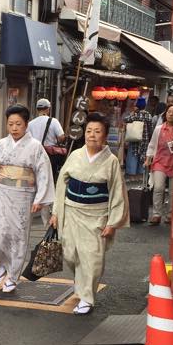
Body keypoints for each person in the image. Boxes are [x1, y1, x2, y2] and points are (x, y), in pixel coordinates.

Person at [51, 113, 127, 315]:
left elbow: (117, 192)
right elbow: (61, 184)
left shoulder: (110, 161)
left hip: (96, 215)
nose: (92, 135)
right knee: (70, 253)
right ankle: (81, 283)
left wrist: (112, 222)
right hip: (72, 210)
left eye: (97, 131)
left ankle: (87, 297)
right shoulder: (75, 155)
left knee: (92, 258)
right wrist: (56, 212)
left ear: (104, 136)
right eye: (89, 131)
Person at [0, 105, 55, 293]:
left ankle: (13, 275)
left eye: (18, 124)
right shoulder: (2, 144)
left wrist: (40, 198)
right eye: (10, 124)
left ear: (26, 124)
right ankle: (2, 263)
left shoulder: (35, 147)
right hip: (2, 194)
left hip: (23, 196)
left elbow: (44, 173)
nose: (14, 128)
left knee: (18, 236)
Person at [27, 98, 66, 223]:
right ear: (48, 109)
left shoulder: (31, 123)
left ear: (37, 109)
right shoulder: (53, 121)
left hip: (34, 155)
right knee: (49, 182)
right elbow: (61, 137)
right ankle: (47, 209)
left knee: (36, 180)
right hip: (50, 156)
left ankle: (34, 203)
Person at [145, 102, 173, 225]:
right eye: (169, 112)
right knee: (158, 188)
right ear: (166, 113)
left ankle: (170, 215)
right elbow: (152, 144)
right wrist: (148, 157)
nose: (171, 114)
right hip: (159, 161)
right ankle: (156, 214)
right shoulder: (159, 129)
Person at [123, 97, 154, 176]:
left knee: (133, 155)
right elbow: (151, 128)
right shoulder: (148, 115)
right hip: (145, 140)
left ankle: (131, 173)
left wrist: (132, 113)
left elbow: (125, 119)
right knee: (142, 156)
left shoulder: (135, 114)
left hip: (134, 139)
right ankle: (141, 174)